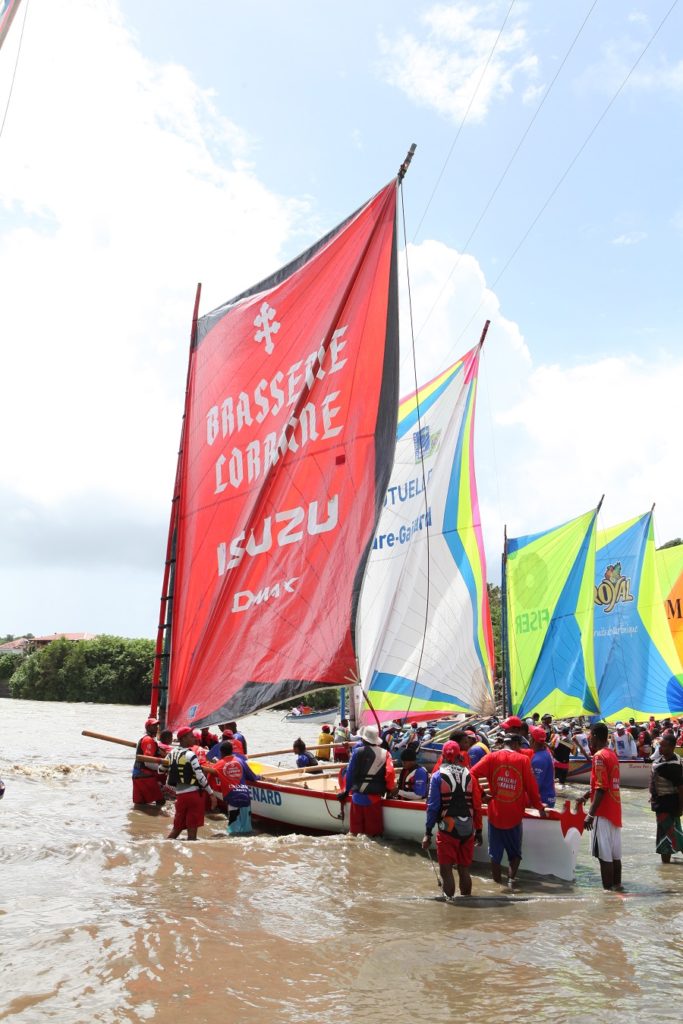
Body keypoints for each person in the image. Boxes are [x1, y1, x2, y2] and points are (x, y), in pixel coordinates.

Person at [471, 732, 546, 887]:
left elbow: (472, 773)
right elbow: (532, 788)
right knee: (515, 854)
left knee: (494, 856)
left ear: (504, 743)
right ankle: (511, 882)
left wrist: (483, 794)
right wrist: (539, 808)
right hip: (514, 815)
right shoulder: (523, 760)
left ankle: (497, 884)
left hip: (495, 814)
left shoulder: (491, 757)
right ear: (517, 745)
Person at [422, 740, 483, 898]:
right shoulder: (470, 775)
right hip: (468, 828)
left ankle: (450, 909)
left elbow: (433, 807)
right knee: (464, 869)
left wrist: (428, 832)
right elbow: (477, 806)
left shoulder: (437, 777)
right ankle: (467, 903)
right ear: (459, 757)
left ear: (442, 756)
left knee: (446, 870)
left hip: (448, 828)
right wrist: (479, 831)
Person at [580, 722, 623, 890]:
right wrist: (586, 795)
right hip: (615, 812)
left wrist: (590, 815)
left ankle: (609, 896)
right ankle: (618, 888)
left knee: (604, 857)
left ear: (596, 737)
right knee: (615, 856)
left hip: (602, 813)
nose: (589, 740)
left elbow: (601, 787)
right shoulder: (612, 754)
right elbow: (606, 784)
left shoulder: (598, 756)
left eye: (590, 736)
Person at [337, 725, 396, 837]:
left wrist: (346, 791)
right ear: (376, 740)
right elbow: (390, 773)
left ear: (363, 739)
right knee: (374, 835)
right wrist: (390, 789)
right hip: (374, 798)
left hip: (357, 797)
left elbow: (350, 774)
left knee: (354, 833)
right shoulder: (386, 754)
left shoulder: (357, 751)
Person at [165, 726, 217, 840]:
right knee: (192, 835)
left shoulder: (171, 753)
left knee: (176, 829)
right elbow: (200, 776)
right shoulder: (190, 755)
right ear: (183, 739)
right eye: (191, 736)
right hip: (193, 796)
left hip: (180, 796)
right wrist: (211, 794)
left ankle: (164, 849)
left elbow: (160, 769)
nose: (194, 739)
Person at [207, 740, 260, 835]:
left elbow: (210, 779)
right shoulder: (241, 761)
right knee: (247, 829)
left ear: (221, 753)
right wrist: (260, 777)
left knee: (234, 831)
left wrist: (219, 789)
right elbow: (253, 777)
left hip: (232, 797)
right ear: (232, 751)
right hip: (245, 796)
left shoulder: (219, 764)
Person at [649, 733, 683, 863]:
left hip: (669, 806)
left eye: (663, 746)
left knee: (671, 836)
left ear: (672, 747)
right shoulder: (663, 761)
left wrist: (680, 808)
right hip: (662, 805)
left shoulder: (672, 766)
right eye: (659, 745)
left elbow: (681, 789)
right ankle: (666, 870)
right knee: (667, 836)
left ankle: (666, 865)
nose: (660, 749)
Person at [132, 717, 165, 807]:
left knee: (140, 805)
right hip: (145, 776)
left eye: (157, 726)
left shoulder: (146, 739)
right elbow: (148, 762)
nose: (156, 728)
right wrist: (163, 769)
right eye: (153, 726)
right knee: (161, 801)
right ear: (148, 728)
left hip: (137, 775)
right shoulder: (148, 740)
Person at [530, 726, 556, 807]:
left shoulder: (538, 759)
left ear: (533, 741)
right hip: (549, 796)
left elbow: (536, 785)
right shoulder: (545, 752)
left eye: (530, 736)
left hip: (543, 799)